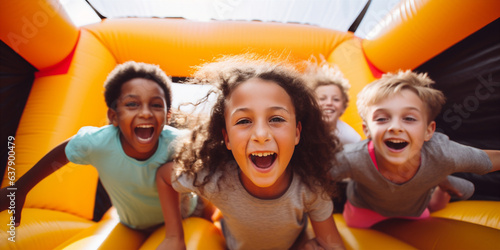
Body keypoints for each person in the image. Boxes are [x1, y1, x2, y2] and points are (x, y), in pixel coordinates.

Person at [156, 54, 346, 250]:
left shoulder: (309, 188)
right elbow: (165, 178)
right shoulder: (217, 180)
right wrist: (174, 236)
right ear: (227, 138)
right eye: (244, 121)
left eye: (276, 119)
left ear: (297, 133)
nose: (261, 135)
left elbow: (332, 243)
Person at [0, 61, 192, 230]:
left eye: (156, 105)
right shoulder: (99, 142)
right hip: (132, 223)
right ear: (113, 116)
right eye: (132, 104)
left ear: (167, 116)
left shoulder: (177, 143)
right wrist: (21, 188)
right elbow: (63, 153)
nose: (145, 113)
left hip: (186, 215)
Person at [329, 70, 500, 228]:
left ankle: (442, 182)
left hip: (412, 209)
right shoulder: (353, 157)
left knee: (435, 207)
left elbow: (486, 161)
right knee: (353, 224)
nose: (395, 127)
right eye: (381, 119)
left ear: (428, 131)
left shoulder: (442, 152)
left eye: (409, 118)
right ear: (367, 130)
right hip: (365, 207)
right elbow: (318, 173)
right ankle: (440, 178)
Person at [304, 60, 361, 145]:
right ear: (311, 104)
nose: (329, 103)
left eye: (336, 99)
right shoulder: (303, 129)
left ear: (343, 108)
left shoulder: (350, 137)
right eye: (322, 99)